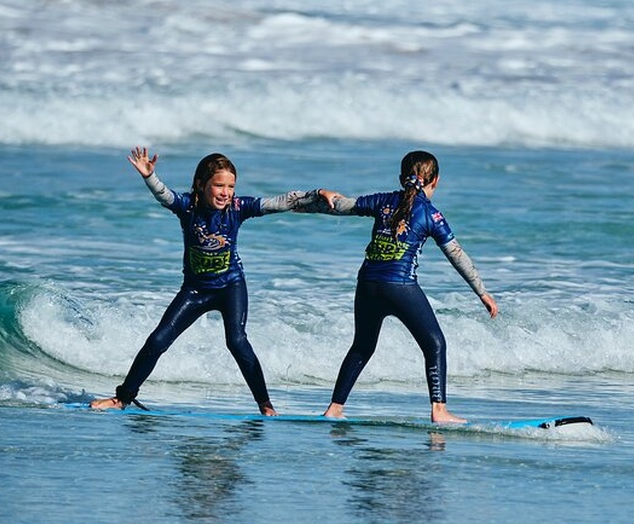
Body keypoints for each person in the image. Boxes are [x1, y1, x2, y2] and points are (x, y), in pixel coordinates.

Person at [90, 147, 336, 415]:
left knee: (237, 341)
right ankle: (123, 397)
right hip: (195, 290)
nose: (225, 192)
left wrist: (316, 194)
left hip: (231, 286)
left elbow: (280, 202)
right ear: (200, 185)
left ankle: (266, 406)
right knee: (158, 340)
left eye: (230, 186)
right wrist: (150, 176)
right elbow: (165, 195)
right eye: (219, 185)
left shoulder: (238, 208)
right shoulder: (188, 207)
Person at [310, 150, 498, 424]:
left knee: (362, 347)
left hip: (367, 286)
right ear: (436, 181)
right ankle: (439, 410)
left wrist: (321, 192)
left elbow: (340, 205)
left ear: (401, 178)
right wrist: (482, 292)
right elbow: (457, 256)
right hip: (400, 288)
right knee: (435, 344)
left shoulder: (381, 201)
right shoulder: (430, 214)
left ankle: (335, 407)